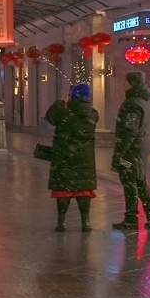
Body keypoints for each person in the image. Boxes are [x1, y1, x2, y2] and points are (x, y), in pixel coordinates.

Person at [46, 83, 99, 232]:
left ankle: (61, 222)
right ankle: (85, 222)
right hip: (85, 159)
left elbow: (50, 116)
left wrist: (62, 101)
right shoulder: (93, 114)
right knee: (84, 190)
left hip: (64, 158)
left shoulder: (64, 113)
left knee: (63, 190)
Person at [111, 71, 150, 231]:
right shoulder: (143, 100)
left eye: (126, 81)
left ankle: (131, 218)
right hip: (140, 148)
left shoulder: (132, 103)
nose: (123, 84)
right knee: (140, 181)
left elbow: (130, 130)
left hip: (132, 150)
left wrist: (120, 153)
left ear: (132, 83)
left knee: (130, 183)